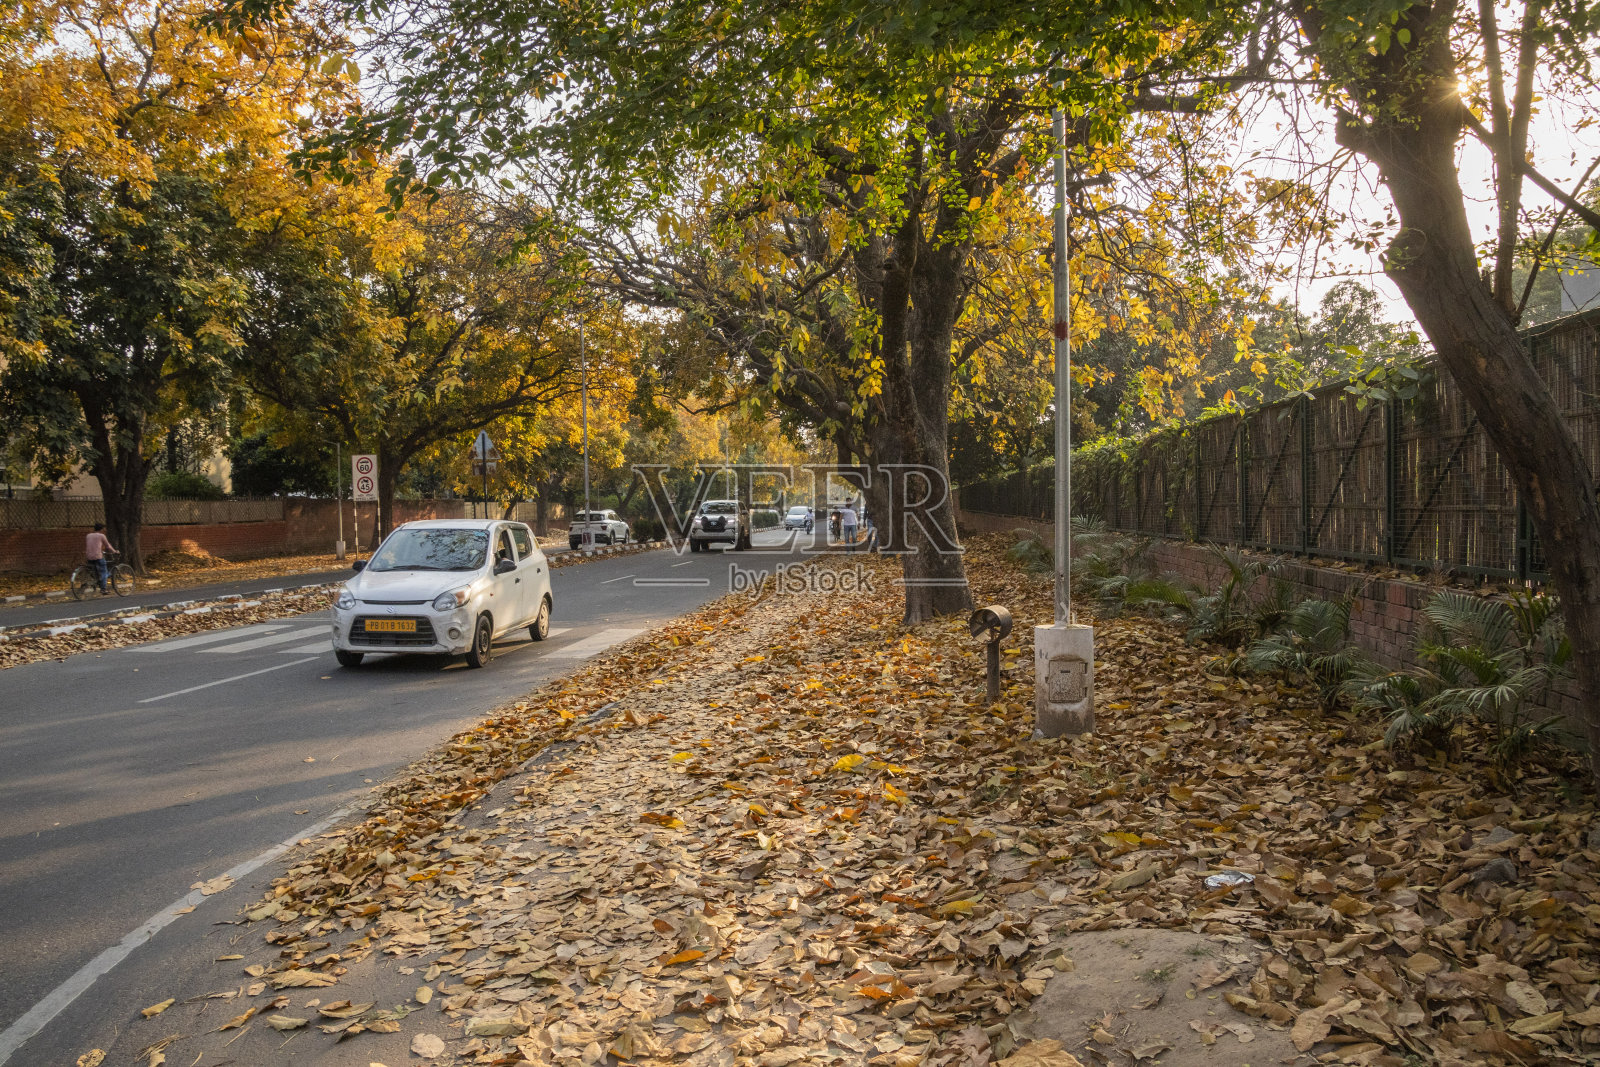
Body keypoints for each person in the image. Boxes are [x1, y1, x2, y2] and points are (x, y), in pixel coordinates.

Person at [85, 522, 117, 594]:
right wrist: (114, 551)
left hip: (89, 556)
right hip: (97, 556)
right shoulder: (101, 536)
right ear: (102, 529)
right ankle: (103, 589)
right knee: (104, 571)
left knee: (96, 570)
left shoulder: (88, 535)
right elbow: (107, 546)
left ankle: (97, 581)